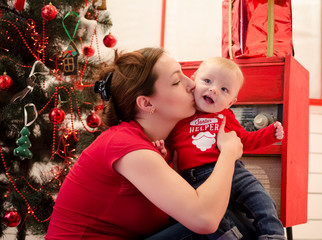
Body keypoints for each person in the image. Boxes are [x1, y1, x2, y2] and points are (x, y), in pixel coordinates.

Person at [45, 48, 244, 240]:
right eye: (177, 81)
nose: (191, 83)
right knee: (217, 224)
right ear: (147, 104)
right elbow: (205, 220)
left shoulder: (157, 146)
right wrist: (228, 154)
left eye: (185, 74)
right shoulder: (124, 144)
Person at [164, 57, 286, 240]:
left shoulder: (225, 116)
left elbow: (244, 140)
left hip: (234, 171)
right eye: (207, 81)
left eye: (224, 89)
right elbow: (170, 146)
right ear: (193, 80)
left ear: (230, 102)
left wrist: (269, 134)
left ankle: (273, 235)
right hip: (196, 177)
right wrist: (162, 151)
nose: (213, 89)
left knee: (261, 199)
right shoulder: (181, 114)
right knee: (210, 216)